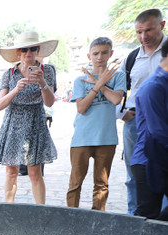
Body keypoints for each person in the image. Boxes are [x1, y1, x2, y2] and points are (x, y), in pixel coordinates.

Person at [0, 31, 58, 205]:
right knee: (11, 171)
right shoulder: (9, 74)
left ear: (38, 50)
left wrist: (42, 83)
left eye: (33, 49)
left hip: (35, 122)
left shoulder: (47, 71)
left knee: (35, 172)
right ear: (18, 52)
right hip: (13, 123)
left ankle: (41, 210)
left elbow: (50, 102)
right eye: (24, 49)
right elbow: (0, 105)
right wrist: (16, 89)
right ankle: (9, 208)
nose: (29, 53)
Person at [66, 37, 126, 211]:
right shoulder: (80, 80)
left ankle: (97, 218)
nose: (100, 57)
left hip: (106, 138)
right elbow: (81, 108)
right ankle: (71, 218)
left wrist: (99, 84)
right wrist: (98, 83)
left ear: (111, 53)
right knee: (75, 183)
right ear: (89, 56)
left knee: (102, 184)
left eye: (104, 52)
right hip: (82, 139)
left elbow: (116, 99)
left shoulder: (118, 76)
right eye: (95, 53)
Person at [119, 9, 166, 215]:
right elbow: (119, 89)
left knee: (162, 174)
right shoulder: (131, 57)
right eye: (139, 32)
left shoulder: (165, 53)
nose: (143, 36)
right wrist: (121, 114)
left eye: (148, 30)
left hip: (162, 121)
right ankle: (135, 219)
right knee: (135, 173)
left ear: (162, 25)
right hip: (135, 121)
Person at [131, 39, 168, 220]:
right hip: (149, 162)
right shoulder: (153, 87)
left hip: (161, 159)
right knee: (146, 219)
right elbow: (158, 132)